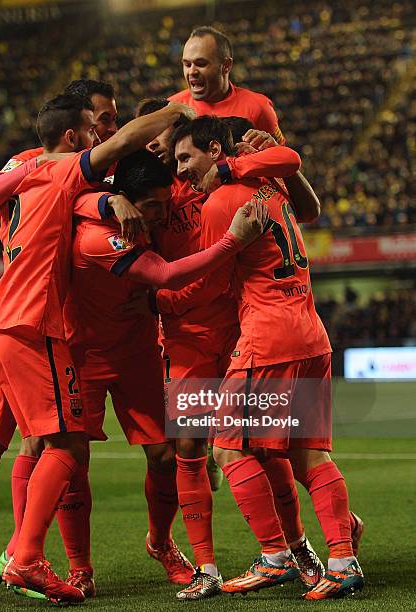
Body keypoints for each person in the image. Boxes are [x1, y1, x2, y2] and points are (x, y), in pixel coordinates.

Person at [0, 92, 195, 604]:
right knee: (63, 446)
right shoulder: (68, 166)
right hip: (38, 326)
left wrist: (90, 193)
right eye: (100, 126)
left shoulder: (26, 169)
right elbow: (109, 162)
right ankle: (29, 558)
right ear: (76, 132)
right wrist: (177, 114)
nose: (107, 135)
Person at [168, 116, 364, 600]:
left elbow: (210, 283)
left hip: (267, 340)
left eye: (185, 158)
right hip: (311, 333)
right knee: (309, 454)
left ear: (215, 150)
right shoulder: (270, 184)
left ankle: (276, 555)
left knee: (227, 447)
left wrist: (161, 298)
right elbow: (290, 165)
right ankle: (342, 560)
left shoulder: (221, 202)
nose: (182, 171)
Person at [64, 147, 267, 589]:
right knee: (71, 460)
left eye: (163, 205)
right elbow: (167, 275)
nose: (160, 215)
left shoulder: (156, 215)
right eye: (151, 206)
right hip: (82, 352)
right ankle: (79, 568)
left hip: (138, 349)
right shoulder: (97, 226)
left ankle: (160, 541)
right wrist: (106, 202)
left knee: (164, 455)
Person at [135, 98, 310, 599]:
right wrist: (115, 203)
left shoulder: (220, 181)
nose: (155, 145)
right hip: (188, 341)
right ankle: (206, 568)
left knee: (266, 447)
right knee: (189, 450)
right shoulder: (152, 189)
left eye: (163, 136)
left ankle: (295, 549)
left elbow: (288, 169)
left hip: (238, 333)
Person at [169, 26, 285, 143]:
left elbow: (282, 157)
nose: (192, 72)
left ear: (226, 65)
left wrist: (272, 148)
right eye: (187, 64)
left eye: (201, 64)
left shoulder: (258, 108)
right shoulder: (171, 109)